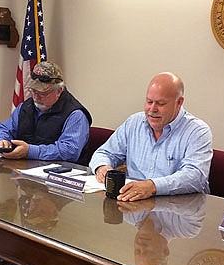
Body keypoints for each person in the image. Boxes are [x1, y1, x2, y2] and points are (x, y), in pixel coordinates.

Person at [90, 72, 212, 201]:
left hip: (177, 208)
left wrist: (152, 186)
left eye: (161, 103)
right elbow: (105, 152)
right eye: (149, 101)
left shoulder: (198, 131)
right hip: (133, 203)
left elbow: (195, 177)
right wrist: (102, 167)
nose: (152, 109)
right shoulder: (134, 122)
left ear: (179, 102)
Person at [0, 61, 92, 163]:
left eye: (42, 93)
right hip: (25, 169)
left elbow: (70, 151)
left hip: (59, 174)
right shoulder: (26, 106)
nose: (35, 97)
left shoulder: (75, 114)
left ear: (59, 91)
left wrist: (30, 151)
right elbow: (4, 128)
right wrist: (1, 141)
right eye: (33, 91)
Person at [118, 194, 206, 265]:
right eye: (148, 253)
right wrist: (152, 190)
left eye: (137, 251)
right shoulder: (187, 228)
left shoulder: (127, 215)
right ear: (165, 251)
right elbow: (196, 201)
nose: (141, 246)